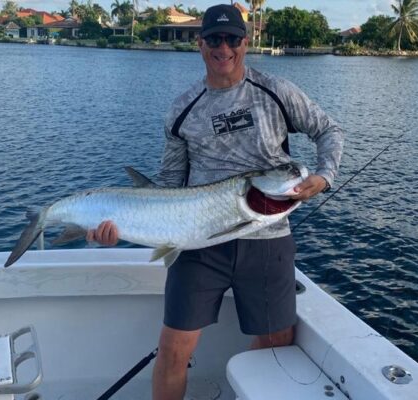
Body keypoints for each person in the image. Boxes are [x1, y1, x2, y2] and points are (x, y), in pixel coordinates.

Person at [86, 4, 343, 399]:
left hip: (268, 239)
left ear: (246, 41)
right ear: (199, 44)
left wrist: (323, 176)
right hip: (197, 243)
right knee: (173, 350)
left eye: (232, 39)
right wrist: (121, 229)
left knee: (277, 343)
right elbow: (170, 184)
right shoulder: (182, 109)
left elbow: (327, 130)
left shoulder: (276, 91)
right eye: (214, 39)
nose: (224, 48)